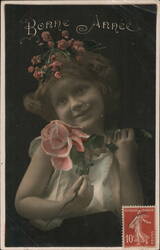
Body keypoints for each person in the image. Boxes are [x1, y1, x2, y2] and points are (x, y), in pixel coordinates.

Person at [15, 31, 143, 246]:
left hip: (110, 240)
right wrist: (63, 206)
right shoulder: (51, 147)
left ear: (101, 89)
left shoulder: (122, 144)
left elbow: (138, 229)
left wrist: (126, 163)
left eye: (81, 89)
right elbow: (22, 203)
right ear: (54, 113)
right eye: (62, 101)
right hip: (54, 241)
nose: (75, 104)